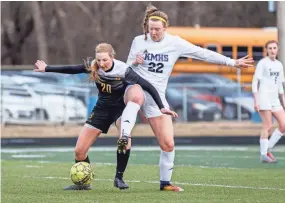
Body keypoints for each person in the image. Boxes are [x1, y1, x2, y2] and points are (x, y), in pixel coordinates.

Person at [117, 4, 254, 192]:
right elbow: (126, 69)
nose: (154, 33)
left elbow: (203, 54)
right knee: (136, 96)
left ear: (165, 28)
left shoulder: (175, 43)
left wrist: (232, 62)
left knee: (168, 143)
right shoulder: (139, 41)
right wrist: (134, 61)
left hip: (157, 96)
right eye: (151, 29)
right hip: (136, 87)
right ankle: (125, 133)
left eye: (157, 29)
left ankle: (165, 183)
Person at [33, 43, 177, 190]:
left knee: (124, 139)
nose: (101, 64)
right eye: (99, 60)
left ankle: (119, 177)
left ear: (112, 57)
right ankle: (84, 183)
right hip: (102, 109)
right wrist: (47, 68)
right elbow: (72, 69)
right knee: (79, 151)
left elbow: (148, 86)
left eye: (105, 60)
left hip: (121, 109)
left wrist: (162, 107)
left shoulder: (123, 70)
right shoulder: (94, 66)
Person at [252, 40, 285, 163]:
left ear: (277, 49)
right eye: (270, 48)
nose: (272, 50)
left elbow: (280, 86)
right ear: (266, 50)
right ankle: (264, 155)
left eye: (274, 48)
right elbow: (255, 82)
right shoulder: (263, 63)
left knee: (284, 125)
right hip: (264, 97)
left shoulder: (279, 65)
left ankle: (267, 149)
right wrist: (256, 101)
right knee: (267, 126)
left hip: (275, 100)